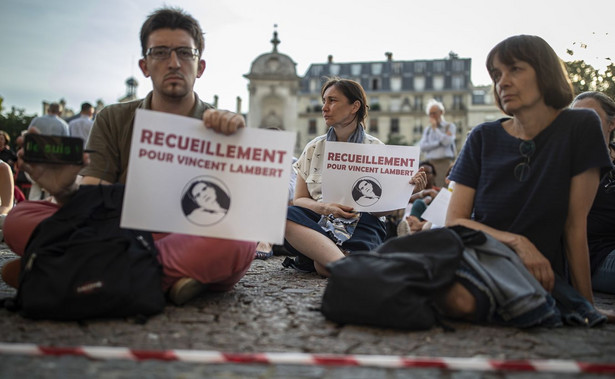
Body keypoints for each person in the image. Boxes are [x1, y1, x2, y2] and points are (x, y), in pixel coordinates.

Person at [1, 7, 255, 306]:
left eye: (185, 53)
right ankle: (163, 278)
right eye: (160, 53)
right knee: (19, 218)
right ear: (145, 65)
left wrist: (238, 143)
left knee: (238, 240)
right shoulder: (114, 117)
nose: (174, 63)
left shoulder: (223, 126)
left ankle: (74, 274)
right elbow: (91, 202)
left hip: (184, 236)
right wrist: (64, 190)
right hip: (121, 232)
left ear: (199, 66)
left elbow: (238, 212)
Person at [442, 35, 613, 323]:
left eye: (515, 69)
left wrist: (586, 305)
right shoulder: (482, 136)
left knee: (461, 301)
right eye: (497, 75)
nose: (502, 82)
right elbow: (455, 221)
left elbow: (575, 225)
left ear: (545, 71)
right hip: (477, 257)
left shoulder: (581, 126)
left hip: (540, 275)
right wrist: (518, 242)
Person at [283, 77, 427, 276]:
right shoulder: (314, 147)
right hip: (318, 219)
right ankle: (345, 262)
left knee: (322, 266)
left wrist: (408, 191)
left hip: (362, 222)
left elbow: (379, 212)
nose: (324, 107)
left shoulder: (376, 149)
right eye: (324, 100)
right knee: (283, 216)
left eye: (332, 101)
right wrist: (325, 207)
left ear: (354, 106)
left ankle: (329, 257)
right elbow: (298, 200)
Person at [571, 91, 615, 294]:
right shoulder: (567, 166)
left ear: (611, 123)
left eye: (591, 116)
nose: (583, 123)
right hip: (596, 257)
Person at [419, 99, 456, 188]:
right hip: (431, 163)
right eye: (430, 114)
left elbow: (447, 142)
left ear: (441, 112)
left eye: (434, 113)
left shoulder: (449, 126)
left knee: (444, 188)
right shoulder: (428, 130)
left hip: (444, 163)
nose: (432, 116)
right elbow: (423, 146)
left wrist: (436, 129)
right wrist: (439, 143)